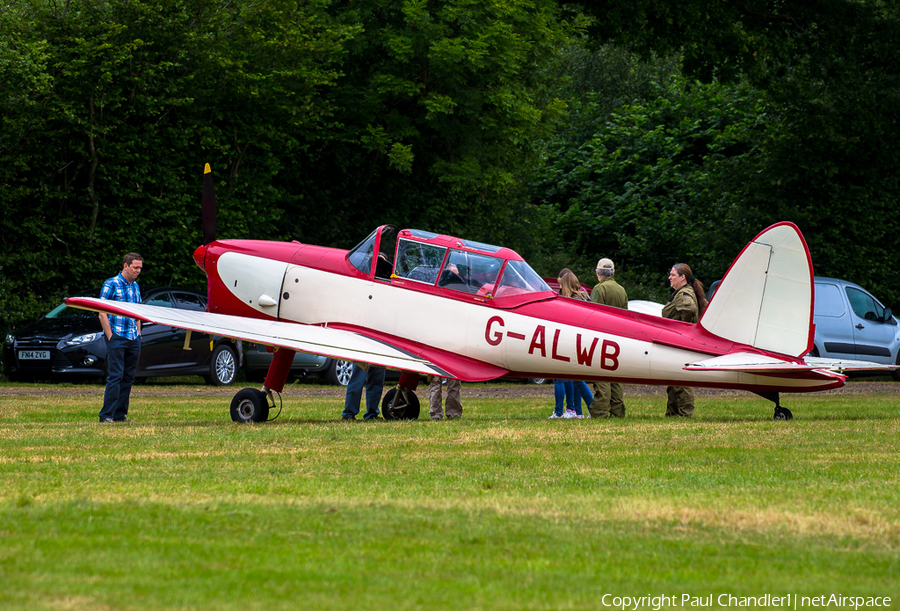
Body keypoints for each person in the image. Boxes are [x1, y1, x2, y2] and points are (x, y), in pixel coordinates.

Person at [98, 253, 144, 423]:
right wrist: (111, 337)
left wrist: (138, 334)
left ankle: (119, 415)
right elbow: (102, 312)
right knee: (115, 376)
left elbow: (138, 312)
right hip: (117, 336)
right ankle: (106, 415)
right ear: (126, 266)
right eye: (135, 268)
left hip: (133, 337)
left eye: (140, 268)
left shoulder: (135, 286)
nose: (138, 271)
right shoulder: (111, 284)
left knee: (128, 377)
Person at [662, 263, 709, 417]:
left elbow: (689, 310)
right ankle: (673, 413)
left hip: (679, 341)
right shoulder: (684, 292)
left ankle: (685, 413)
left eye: (673, 274)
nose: (669, 277)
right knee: (674, 377)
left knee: (680, 378)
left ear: (682, 278)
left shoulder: (684, 294)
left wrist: (683, 330)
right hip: (677, 341)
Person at [548, 269, 593, 419]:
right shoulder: (584, 296)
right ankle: (577, 411)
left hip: (571, 341)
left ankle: (589, 408)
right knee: (575, 378)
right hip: (582, 341)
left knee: (567, 378)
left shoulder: (572, 300)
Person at [589, 258, 628, 418]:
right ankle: (618, 411)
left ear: (598, 273)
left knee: (601, 374)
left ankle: (599, 411)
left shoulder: (599, 289)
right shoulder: (621, 290)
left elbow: (593, 316)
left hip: (602, 337)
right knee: (615, 375)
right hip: (618, 338)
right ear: (613, 272)